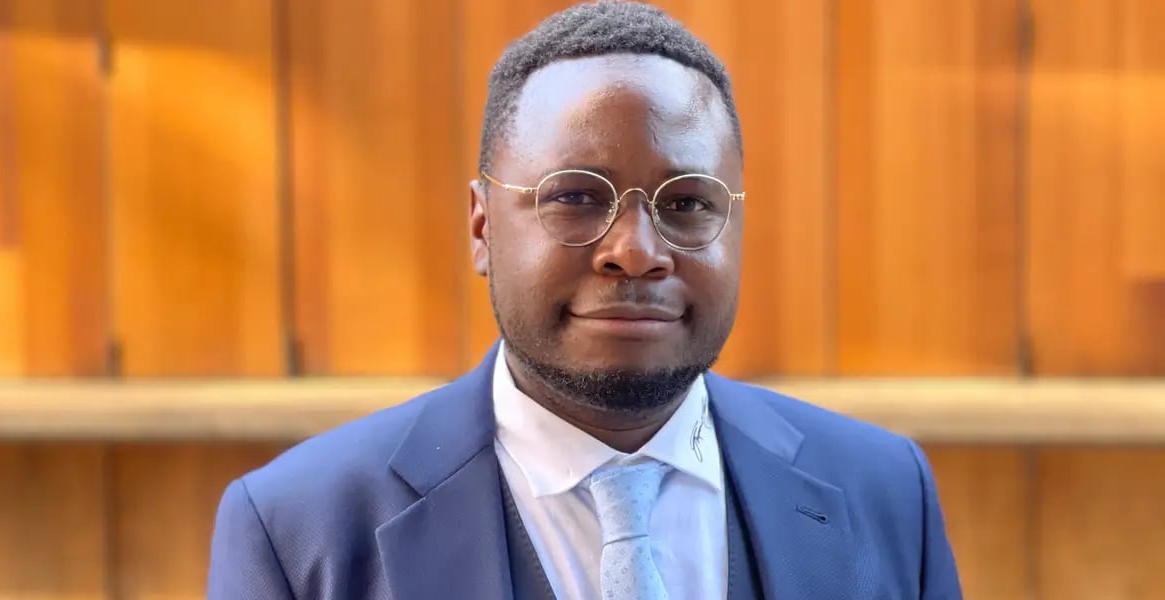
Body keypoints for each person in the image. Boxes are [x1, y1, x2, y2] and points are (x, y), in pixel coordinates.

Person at [207, 2, 962, 598]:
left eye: (688, 203)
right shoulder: (298, 531)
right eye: (574, 197)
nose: (635, 249)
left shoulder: (885, 491)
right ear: (482, 227)